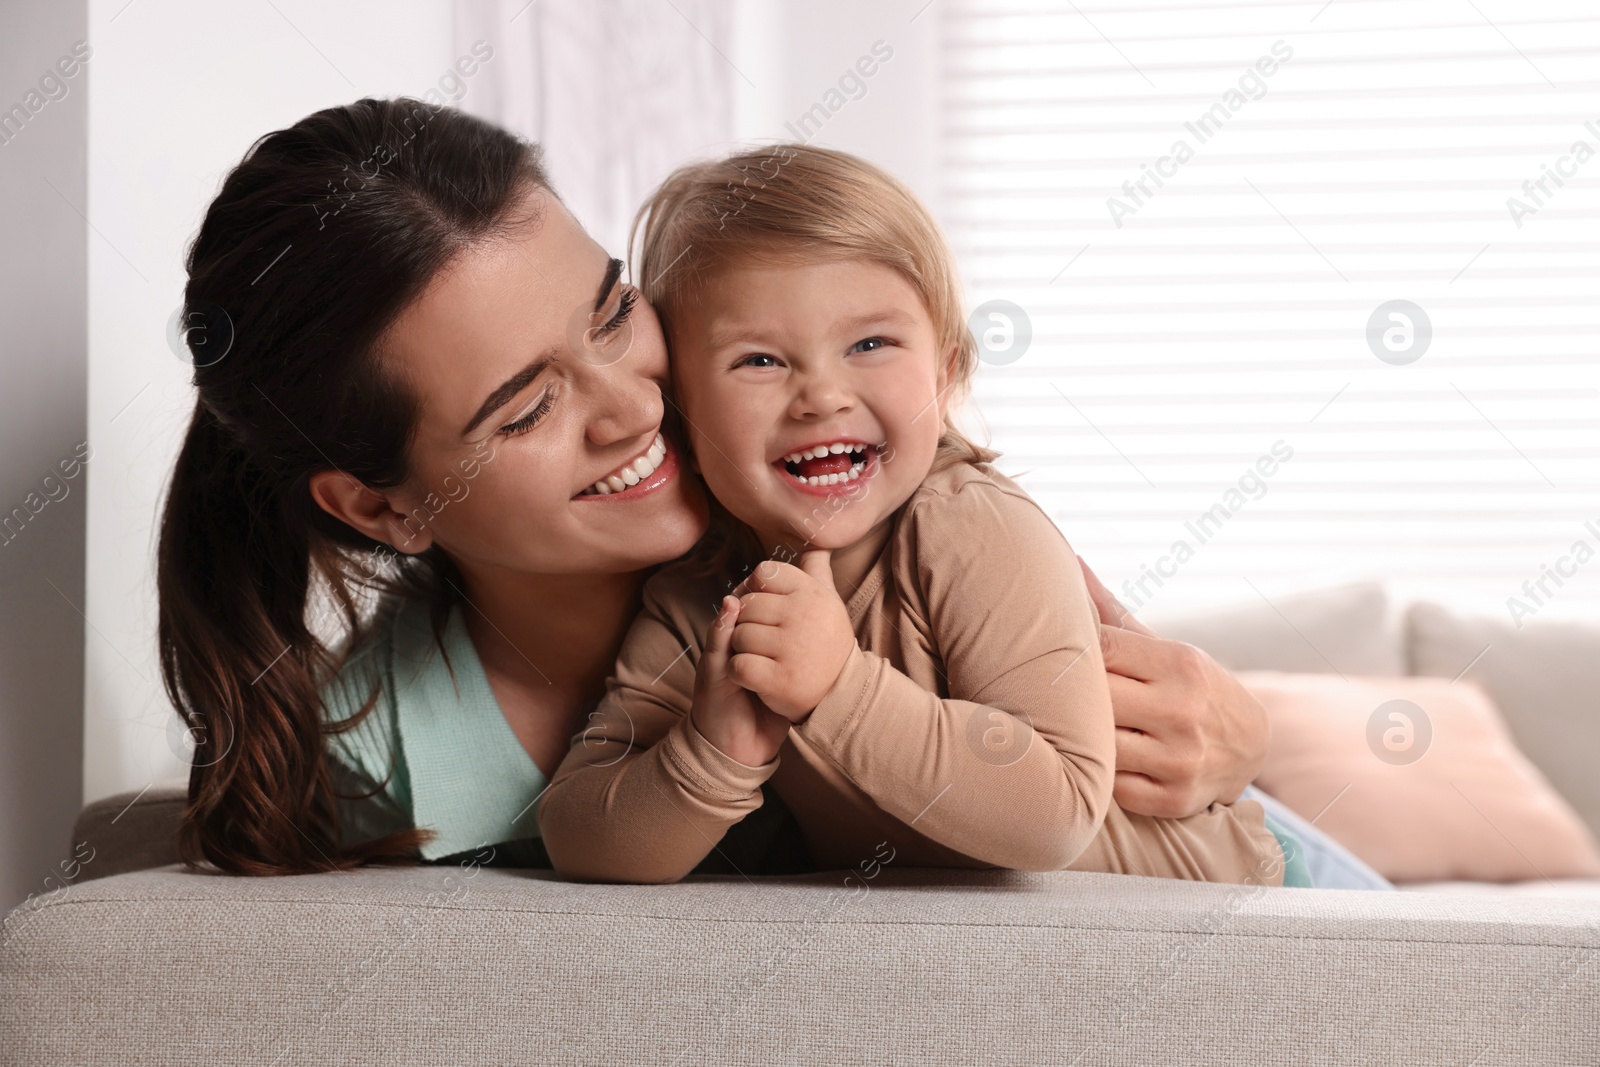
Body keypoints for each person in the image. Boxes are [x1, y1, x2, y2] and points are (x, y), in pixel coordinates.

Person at [156, 96, 1380, 889]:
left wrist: (1241, 727)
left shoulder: (893, 519)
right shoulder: (375, 763)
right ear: (383, 507)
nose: (635, 405)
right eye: (526, 406)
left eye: (611, 309)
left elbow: (1095, 765)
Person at [536, 145, 1308, 888]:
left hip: (1254, 894)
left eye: (870, 343)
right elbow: (578, 833)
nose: (822, 395)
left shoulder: (972, 528)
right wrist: (711, 753)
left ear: (945, 375)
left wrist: (838, 690)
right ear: (683, 418)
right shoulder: (702, 595)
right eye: (759, 360)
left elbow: (1055, 815)